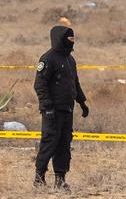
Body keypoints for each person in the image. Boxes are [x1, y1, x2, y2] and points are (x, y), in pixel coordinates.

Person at [33, 25, 89, 190]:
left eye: (73, 39)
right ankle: (39, 177)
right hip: (52, 111)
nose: (72, 42)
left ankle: (60, 179)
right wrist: (47, 106)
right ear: (60, 39)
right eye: (69, 39)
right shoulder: (47, 59)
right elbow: (40, 85)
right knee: (49, 142)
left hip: (67, 109)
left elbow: (75, 84)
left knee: (64, 144)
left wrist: (82, 102)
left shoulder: (70, 60)